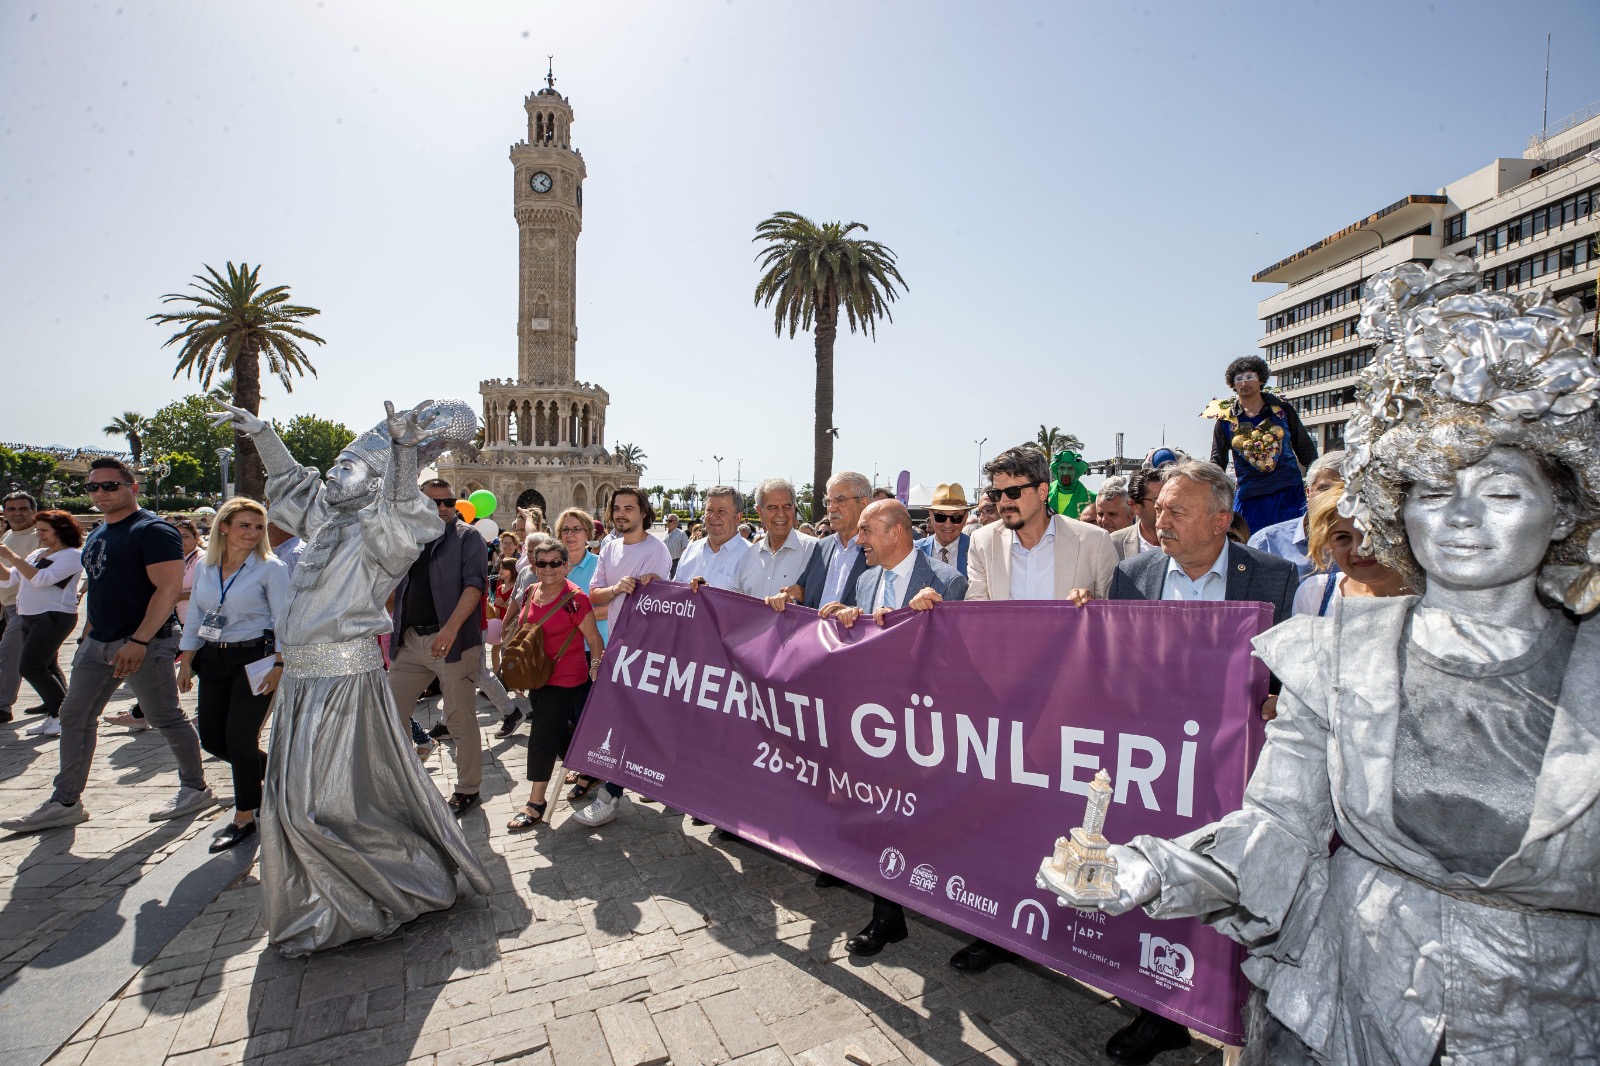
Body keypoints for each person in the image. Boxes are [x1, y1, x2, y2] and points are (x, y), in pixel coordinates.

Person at [1058, 256, 1600, 1064]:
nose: (1459, 520)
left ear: (1564, 508)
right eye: (1429, 489)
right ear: (1393, 503)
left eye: (1501, 493)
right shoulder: (1337, 656)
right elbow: (1278, 829)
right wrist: (1147, 872)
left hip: (1549, 1028)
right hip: (1340, 1014)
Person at [207, 398, 492, 957]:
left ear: (372, 484)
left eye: (347, 467)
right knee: (299, 798)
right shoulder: (329, 521)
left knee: (317, 806)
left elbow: (402, 514)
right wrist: (265, 435)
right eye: (335, 465)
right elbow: (293, 482)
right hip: (303, 684)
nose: (333, 471)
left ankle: (388, 885)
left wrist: (405, 451)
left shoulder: (378, 528)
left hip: (342, 684)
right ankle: (323, 899)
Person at [1096, 457, 1300, 1062]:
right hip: (1156, 762)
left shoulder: (1271, 578)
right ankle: (1157, 1011)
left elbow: (1284, 674)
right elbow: (1113, 664)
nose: (1162, 519)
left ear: (1221, 518)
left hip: (1233, 767)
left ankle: (1234, 1001)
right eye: (1158, 509)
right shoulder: (1132, 576)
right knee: (1159, 868)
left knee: (1228, 876)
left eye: (1176, 510)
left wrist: (1274, 702)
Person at [1, 459, 215, 833]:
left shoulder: (152, 530)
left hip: (144, 643)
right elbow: (99, 589)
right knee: (73, 717)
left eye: (110, 485)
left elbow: (167, 590)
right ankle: (65, 800)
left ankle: (195, 788)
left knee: (164, 717)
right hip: (97, 643)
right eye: (93, 487)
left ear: (133, 488)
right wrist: (88, 633)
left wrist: (139, 640)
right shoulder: (99, 534)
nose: (100, 493)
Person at [818, 500, 971, 960]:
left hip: (923, 727)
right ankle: (886, 917)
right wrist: (847, 619)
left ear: (896, 532)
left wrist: (934, 618)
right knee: (878, 815)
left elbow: (960, 661)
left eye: (866, 531)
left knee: (924, 820)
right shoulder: (865, 581)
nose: (858, 539)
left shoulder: (948, 583)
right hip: (873, 725)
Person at [176, 498, 291, 852]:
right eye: (245, 525)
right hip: (213, 659)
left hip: (255, 659)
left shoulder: (270, 568)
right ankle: (276, 774)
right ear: (223, 526)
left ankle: (245, 814)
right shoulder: (208, 569)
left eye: (258, 527)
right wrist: (186, 659)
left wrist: (279, 664)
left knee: (240, 738)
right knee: (212, 738)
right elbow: (196, 614)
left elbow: (284, 619)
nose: (253, 533)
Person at [388, 478, 491, 817]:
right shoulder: (411, 537)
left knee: (459, 719)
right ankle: (407, 780)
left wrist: (449, 629)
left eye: (450, 502)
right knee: (390, 711)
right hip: (411, 640)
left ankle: (468, 789)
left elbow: (474, 586)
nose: (445, 508)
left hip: (453, 642)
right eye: (436, 503)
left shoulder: (468, 537)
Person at [573, 486, 671, 827]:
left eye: (629, 508)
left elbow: (656, 600)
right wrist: (617, 589)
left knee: (628, 723)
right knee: (627, 722)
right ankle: (645, 780)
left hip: (645, 652)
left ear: (643, 512)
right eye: (617, 508)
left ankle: (611, 794)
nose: (621, 513)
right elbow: (594, 594)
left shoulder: (656, 550)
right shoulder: (609, 548)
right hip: (616, 649)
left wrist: (645, 585)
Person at [504, 535, 603, 832]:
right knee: (557, 730)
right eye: (542, 563)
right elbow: (524, 630)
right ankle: (588, 771)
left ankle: (536, 802)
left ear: (566, 565)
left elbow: (594, 640)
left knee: (542, 734)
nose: (548, 568)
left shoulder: (576, 600)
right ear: (534, 564)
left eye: (555, 563)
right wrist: (517, 671)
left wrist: (595, 667)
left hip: (567, 677)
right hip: (537, 675)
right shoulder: (532, 590)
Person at [968, 445, 1118, 604]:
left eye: (1013, 492)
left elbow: (1116, 616)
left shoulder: (1094, 542)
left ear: (1042, 491)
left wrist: (1092, 607)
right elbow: (976, 612)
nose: (1004, 501)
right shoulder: (982, 542)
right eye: (996, 494)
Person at [1208, 355, 1319, 535]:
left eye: (1249, 377)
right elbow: (1217, 461)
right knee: (1248, 543)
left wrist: (1319, 480)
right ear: (1233, 385)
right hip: (1250, 494)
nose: (1244, 383)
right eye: (1239, 379)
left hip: (1288, 490)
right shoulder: (1226, 420)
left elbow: (1304, 448)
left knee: (1292, 540)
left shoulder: (1281, 410)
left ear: (1261, 380)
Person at [0, 510, 84, 737]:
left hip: (54, 617)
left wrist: (11, 555)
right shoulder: (38, 553)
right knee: (46, 667)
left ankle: (62, 716)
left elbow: (41, 579)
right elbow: (9, 580)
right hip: (30, 616)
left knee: (30, 666)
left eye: (44, 531)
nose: (40, 535)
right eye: (38, 530)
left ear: (61, 531)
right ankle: (56, 716)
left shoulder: (72, 555)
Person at [1291, 489, 1410, 616]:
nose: (1359, 550)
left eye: (1373, 534)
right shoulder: (1314, 595)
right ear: (1328, 544)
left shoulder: (1430, 595)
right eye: (1343, 537)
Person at [1247, 451, 1346, 579]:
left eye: (1343, 490)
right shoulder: (1266, 544)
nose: (1332, 498)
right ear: (1308, 493)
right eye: (1325, 489)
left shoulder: (1371, 545)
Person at [791, 472, 873, 611]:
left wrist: (852, 615)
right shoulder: (822, 546)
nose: (831, 508)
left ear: (863, 503)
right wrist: (790, 600)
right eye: (828, 501)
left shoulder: (878, 548)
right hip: (816, 632)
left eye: (840, 500)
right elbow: (804, 594)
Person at [733, 479, 816, 599]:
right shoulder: (749, 555)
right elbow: (735, 603)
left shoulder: (815, 551)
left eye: (787, 507)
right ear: (760, 512)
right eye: (772, 507)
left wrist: (805, 598)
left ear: (794, 508)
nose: (781, 514)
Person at [0, 491, 41, 724]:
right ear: (5, 513)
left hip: (25, 606)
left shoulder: (39, 536)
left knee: (8, 655)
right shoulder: (7, 535)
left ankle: (3, 706)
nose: (17, 514)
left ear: (33, 511)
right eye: (12, 509)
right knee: (43, 657)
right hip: (7, 605)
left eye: (23, 509)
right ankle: (56, 699)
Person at [678, 487, 751, 591]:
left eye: (721, 511)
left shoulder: (752, 556)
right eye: (710, 510)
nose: (713, 516)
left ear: (738, 518)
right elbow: (674, 599)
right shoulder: (690, 550)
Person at [1110, 466, 1172, 561]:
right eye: (1157, 501)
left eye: (1170, 499)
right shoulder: (1114, 544)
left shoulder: (1188, 539)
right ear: (1135, 506)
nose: (1167, 505)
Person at [914, 483, 971, 575]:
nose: (948, 525)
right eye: (940, 517)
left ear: (965, 517)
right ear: (931, 515)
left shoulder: (976, 550)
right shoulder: (915, 551)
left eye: (956, 517)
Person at [1046, 448, 1094, 519]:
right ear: (1057, 471)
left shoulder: (1093, 499)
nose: (1065, 473)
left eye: (1070, 469)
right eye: (1062, 468)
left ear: (1077, 472)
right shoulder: (1043, 493)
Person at [660, 513, 689, 578]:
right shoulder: (664, 534)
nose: (667, 522)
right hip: (665, 561)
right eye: (667, 520)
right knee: (664, 579)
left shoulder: (682, 534)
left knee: (674, 580)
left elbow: (686, 549)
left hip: (676, 562)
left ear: (677, 523)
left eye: (670, 521)